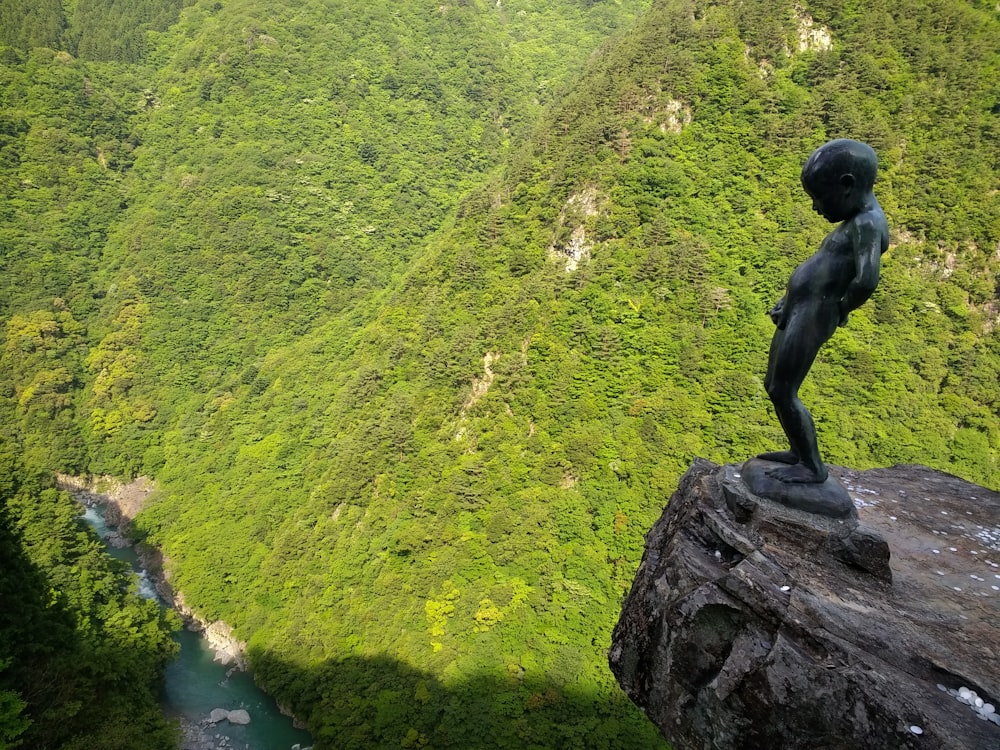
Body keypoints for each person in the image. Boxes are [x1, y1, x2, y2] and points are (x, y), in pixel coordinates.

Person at [758, 139, 890, 483]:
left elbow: (867, 280)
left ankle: (812, 467)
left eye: (819, 196)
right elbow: (822, 268)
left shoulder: (867, 225)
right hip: (800, 308)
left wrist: (841, 309)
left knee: (784, 389)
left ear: (846, 185)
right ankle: (798, 451)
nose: (815, 207)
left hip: (815, 314)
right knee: (773, 384)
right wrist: (788, 300)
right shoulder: (853, 222)